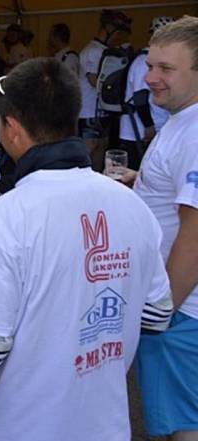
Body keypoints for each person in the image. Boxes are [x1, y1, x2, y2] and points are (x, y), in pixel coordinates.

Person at [0, 57, 173, 441]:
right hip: (107, 428)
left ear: (12, 130)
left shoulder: (8, 216)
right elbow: (155, 314)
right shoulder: (131, 204)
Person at [127, 16, 198, 440]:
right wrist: (140, 182)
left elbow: (196, 235)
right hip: (181, 310)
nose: (151, 78)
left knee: (185, 429)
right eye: (150, 65)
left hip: (182, 312)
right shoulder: (182, 121)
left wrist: (161, 314)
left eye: (166, 69)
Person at [117, 16, 175, 170]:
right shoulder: (145, 61)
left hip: (149, 129)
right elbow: (140, 97)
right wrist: (149, 127)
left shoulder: (156, 60)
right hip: (137, 131)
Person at [78, 9, 132, 169]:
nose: (119, 37)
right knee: (90, 150)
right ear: (108, 28)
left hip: (103, 110)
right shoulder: (93, 50)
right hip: (89, 111)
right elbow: (95, 81)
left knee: (102, 148)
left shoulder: (103, 50)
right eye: (118, 33)